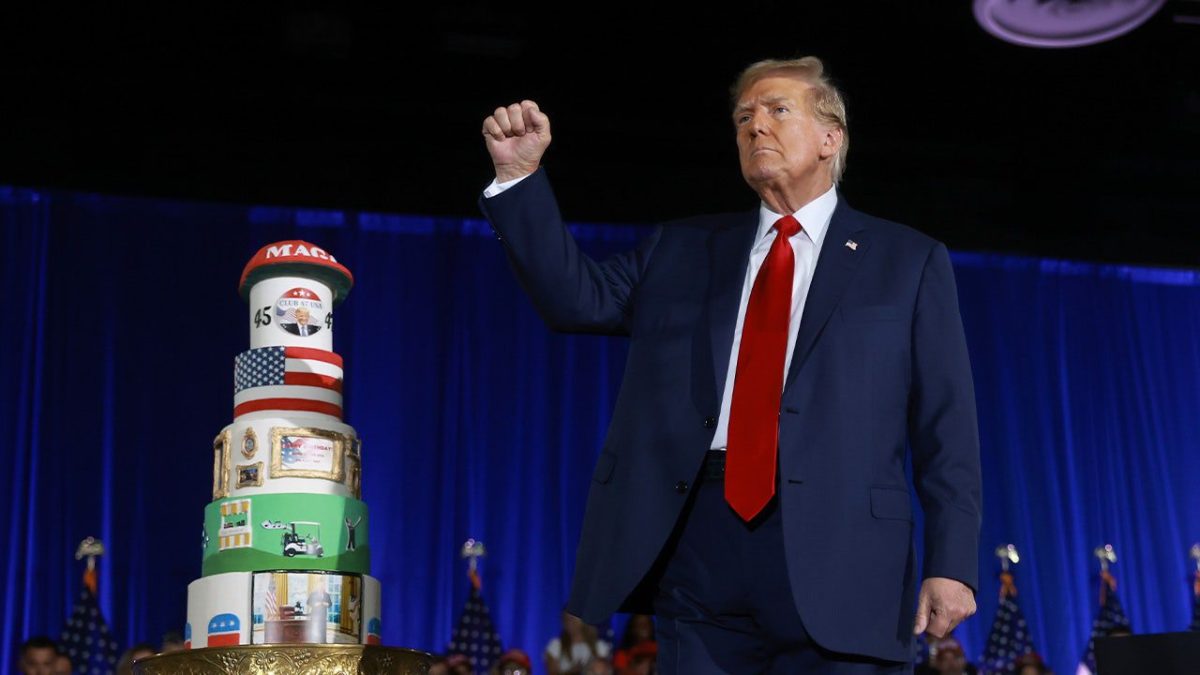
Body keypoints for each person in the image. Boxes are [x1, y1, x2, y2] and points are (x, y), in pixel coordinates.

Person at [479, 55, 981, 674]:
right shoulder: (683, 248)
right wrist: (519, 178)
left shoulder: (907, 260)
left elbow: (946, 425)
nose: (755, 126)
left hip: (846, 552)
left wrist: (952, 563)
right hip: (700, 545)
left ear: (831, 138)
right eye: (743, 117)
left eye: (778, 110)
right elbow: (574, 300)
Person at [543, 610, 611, 674]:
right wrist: (573, 672)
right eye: (566, 619)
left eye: (572, 618)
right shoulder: (556, 646)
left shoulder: (599, 646)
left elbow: (604, 670)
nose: (569, 622)